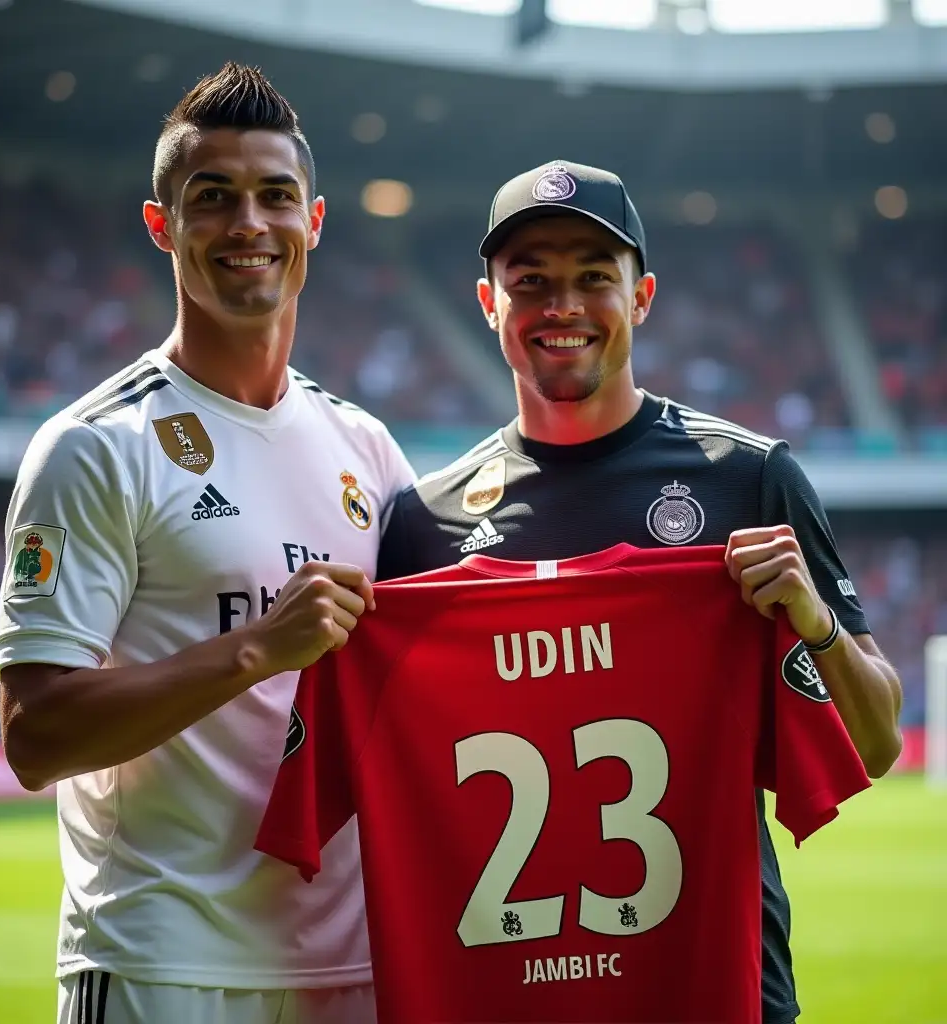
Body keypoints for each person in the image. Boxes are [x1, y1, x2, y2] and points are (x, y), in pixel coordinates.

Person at [376, 159, 903, 1024]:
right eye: (531, 280)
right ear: (489, 303)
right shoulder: (420, 526)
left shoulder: (748, 477)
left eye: (594, 277)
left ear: (643, 295)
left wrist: (815, 624)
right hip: (506, 989)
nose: (563, 306)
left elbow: (876, 745)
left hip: (714, 984)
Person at [0, 62, 414, 1024]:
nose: (248, 225)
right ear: (162, 226)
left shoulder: (369, 450)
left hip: (353, 971)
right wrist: (258, 648)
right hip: (161, 966)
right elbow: (35, 736)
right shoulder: (97, 446)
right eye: (212, 198)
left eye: (275, 197)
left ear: (314, 223)